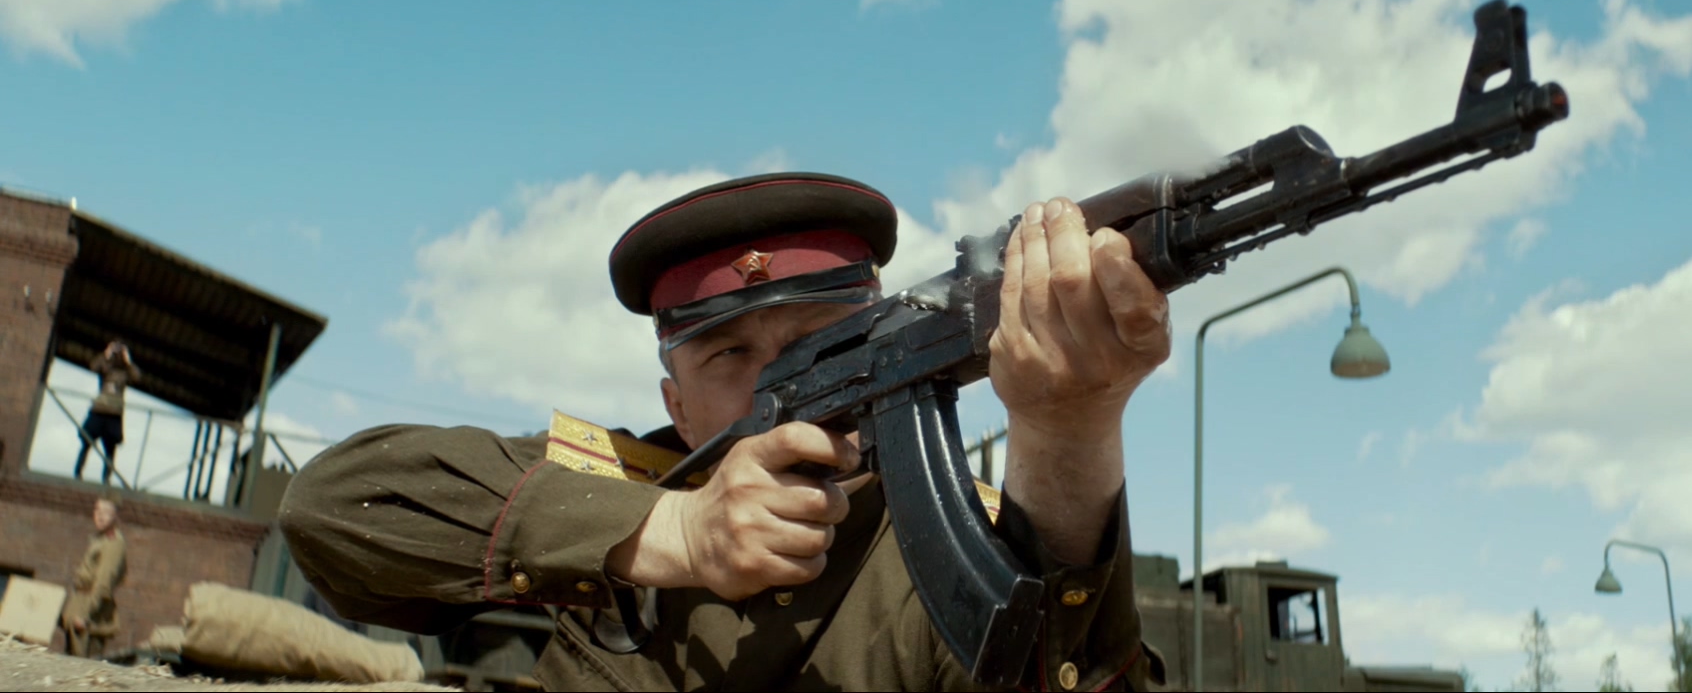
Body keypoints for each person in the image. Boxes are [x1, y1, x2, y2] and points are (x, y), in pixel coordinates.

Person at [281, 172, 1171, 690]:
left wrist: (1069, 434)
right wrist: (673, 533)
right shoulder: (621, 486)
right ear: (677, 405)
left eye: (819, 341)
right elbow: (333, 508)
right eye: (730, 354)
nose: (774, 378)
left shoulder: (956, 546)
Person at [63, 495, 128, 659]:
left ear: (116, 516)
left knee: (82, 664)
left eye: (106, 512)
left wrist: (86, 614)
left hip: (91, 609)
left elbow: (104, 582)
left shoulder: (114, 543)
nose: (100, 516)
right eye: (97, 510)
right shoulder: (100, 539)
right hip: (80, 601)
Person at [74, 340, 140, 484]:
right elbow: (94, 367)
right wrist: (106, 353)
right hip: (99, 409)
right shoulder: (106, 367)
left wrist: (128, 360)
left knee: (110, 449)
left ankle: (106, 479)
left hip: (114, 414)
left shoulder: (125, 373)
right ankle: (78, 473)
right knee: (87, 442)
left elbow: (136, 377)